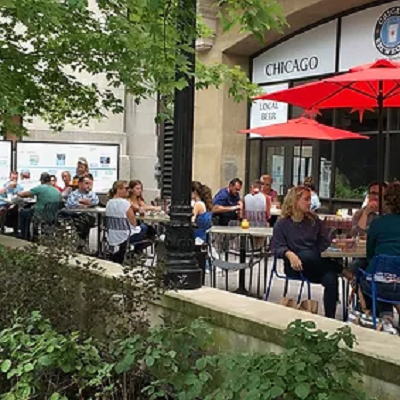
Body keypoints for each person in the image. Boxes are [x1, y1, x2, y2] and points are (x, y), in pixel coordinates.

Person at [273, 186, 343, 319]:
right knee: (305, 254)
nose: (310, 202)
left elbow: (324, 243)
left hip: (316, 265)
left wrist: (331, 239)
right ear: (295, 201)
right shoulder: (282, 224)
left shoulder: (313, 220)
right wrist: (290, 254)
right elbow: (277, 248)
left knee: (331, 277)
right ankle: (342, 270)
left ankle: (330, 319)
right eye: (306, 199)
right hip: (295, 266)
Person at [360, 182, 400, 334]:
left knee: (374, 278)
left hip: (379, 282)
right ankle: (388, 317)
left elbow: (370, 255)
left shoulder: (378, 223)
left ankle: (385, 318)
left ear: (387, 201)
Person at [349, 181, 388, 276]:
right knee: (354, 268)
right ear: (368, 195)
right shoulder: (359, 214)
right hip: (364, 256)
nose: (376, 197)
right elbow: (355, 234)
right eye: (373, 193)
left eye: (380, 194)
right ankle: (359, 290)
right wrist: (366, 213)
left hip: (385, 256)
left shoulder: (391, 214)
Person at [106, 180, 148, 256]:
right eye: (126, 188)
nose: (128, 190)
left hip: (111, 235)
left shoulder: (109, 203)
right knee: (146, 228)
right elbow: (133, 223)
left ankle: (134, 253)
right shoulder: (125, 203)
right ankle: (136, 253)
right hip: (125, 236)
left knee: (144, 230)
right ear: (119, 189)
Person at [17, 172, 62, 239]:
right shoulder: (57, 191)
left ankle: (23, 234)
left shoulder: (40, 188)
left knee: (23, 212)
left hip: (40, 214)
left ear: (42, 181)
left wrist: (17, 192)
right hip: (53, 215)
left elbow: (23, 194)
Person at [66, 176, 99, 247]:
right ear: (80, 184)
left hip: (89, 217)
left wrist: (80, 202)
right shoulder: (73, 194)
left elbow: (95, 202)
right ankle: (82, 242)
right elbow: (70, 204)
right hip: (76, 216)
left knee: (84, 220)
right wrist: (84, 202)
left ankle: (82, 242)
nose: (89, 186)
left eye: (90, 184)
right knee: (81, 221)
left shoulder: (92, 194)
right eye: (86, 183)